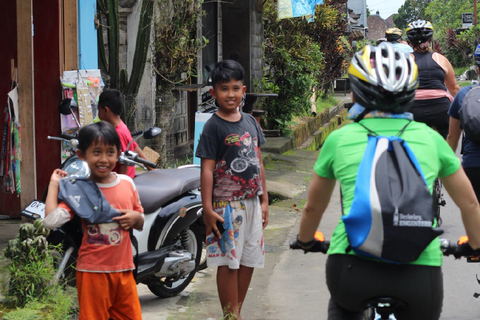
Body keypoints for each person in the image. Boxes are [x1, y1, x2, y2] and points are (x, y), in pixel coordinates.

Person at [296, 43, 480, 320]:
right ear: (411, 91)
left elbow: (312, 208)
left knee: (343, 308)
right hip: (419, 274)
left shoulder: (339, 139)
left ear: (356, 91)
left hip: (351, 270)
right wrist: (474, 245)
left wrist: (307, 241)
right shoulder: (430, 138)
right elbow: (469, 204)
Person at [43, 121, 144, 320]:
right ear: (82, 155)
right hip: (92, 272)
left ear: (118, 154)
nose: (104, 159)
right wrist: (54, 185)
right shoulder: (78, 191)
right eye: (96, 152)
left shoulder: (127, 184)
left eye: (110, 152)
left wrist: (136, 218)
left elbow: (140, 221)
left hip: (124, 270)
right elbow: (50, 222)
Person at [195, 60, 269, 319]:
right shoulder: (213, 126)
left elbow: (258, 162)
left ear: (243, 90)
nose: (231, 94)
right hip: (226, 206)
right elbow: (206, 169)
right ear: (213, 93)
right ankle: (230, 315)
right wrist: (207, 208)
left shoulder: (250, 122)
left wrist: (264, 200)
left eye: (236, 88)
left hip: (251, 202)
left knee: (249, 259)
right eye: (224, 88)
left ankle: (236, 312)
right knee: (228, 262)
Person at [406, 19, 460, 139]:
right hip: (441, 108)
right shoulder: (440, 59)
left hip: (414, 108)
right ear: (430, 39)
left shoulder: (404, 60)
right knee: (446, 143)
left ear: (409, 41)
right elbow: (454, 88)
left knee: (414, 146)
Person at [447, 44, 480, 201]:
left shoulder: (464, 94)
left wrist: (445, 167)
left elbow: (453, 137)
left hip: (473, 165)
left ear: (477, 68)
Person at [97, 89, 151, 178]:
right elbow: (135, 146)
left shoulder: (117, 133)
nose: (98, 114)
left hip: (121, 179)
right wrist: (150, 167)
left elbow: (123, 162)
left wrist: (120, 185)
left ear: (106, 110)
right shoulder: (121, 125)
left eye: (99, 109)